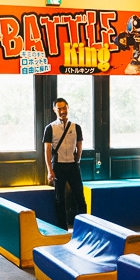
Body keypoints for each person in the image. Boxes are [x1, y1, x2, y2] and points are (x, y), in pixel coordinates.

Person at [43, 98, 87, 229]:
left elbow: (79, 147)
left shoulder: (76, 127)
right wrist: (50, 170)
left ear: (68, 107)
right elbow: (47, 150)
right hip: (58, 166)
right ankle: (62, 228)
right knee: (59, 198)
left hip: (73, 166)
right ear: (54, 110)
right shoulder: (50, 128)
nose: (62, 111)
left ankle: (83, 227)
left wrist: (77, 161)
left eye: (64, 108)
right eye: (59, 109)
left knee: (80, 197)